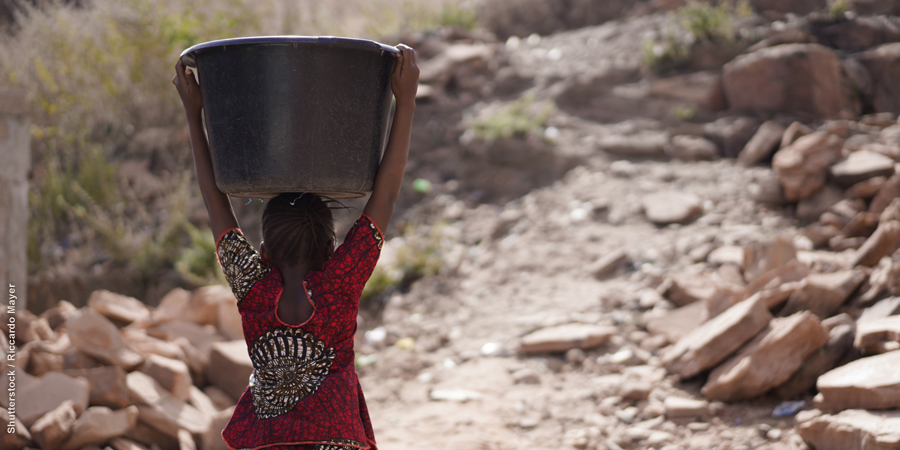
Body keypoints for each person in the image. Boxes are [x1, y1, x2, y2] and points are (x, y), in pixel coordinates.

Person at [172, 43, 419, 450]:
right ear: (330, 250)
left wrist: (194, 112)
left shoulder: (253, 286)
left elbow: (213, 196)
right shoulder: (341, 281)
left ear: (264, 251)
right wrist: (404, 100)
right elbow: (388, 193)